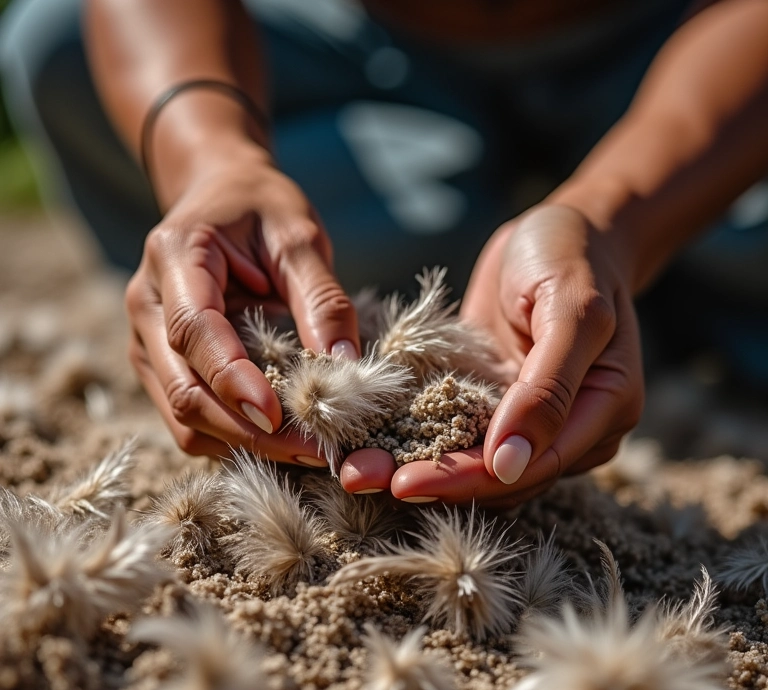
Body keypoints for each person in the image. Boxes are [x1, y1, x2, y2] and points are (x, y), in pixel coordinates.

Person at [2, 0, 767, 507]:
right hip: (363, 57)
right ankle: (641, 289)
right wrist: (214, 161)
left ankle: (618, 257)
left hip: (692, 53)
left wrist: (616, 215)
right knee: (59, 39)